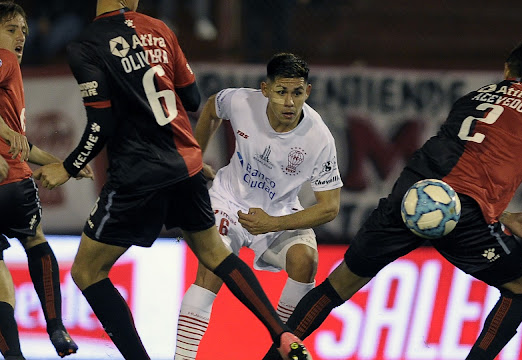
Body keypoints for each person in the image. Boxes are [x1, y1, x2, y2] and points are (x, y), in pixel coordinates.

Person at [260, 39, 522, 360]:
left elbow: (455, 168)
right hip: (465, 217)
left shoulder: (471, 98)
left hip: (410, 198)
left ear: (507, 70)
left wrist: (503, 216)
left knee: (337, 286)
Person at [33, 1, 311, 359]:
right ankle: (283, 334)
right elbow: (192, 98)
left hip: (138, 174)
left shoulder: (86, 44)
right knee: (214, 253)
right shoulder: (160, 29)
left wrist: (68, 167)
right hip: (186, 164)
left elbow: (101, 122)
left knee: (88, 270)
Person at [173, 52, 342, 359]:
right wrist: (194, 158)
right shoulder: (241, 102)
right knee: (212, 267)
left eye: (297, 93)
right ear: (265, 90)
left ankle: (276, 355)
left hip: (278, 214)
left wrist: (273, 224)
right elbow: (211, 107)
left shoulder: (319, 138)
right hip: (229, 202)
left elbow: (330, 207)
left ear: (308, 92)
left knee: (305, 262)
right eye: (281, 92)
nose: (289, 102)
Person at [0, 2, 92, 358]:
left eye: (23, 30)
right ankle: (56, 327)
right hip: (12, 185)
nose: (21, 36)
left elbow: (28, 146)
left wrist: (64, 164)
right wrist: (8, 137)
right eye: (11, 29)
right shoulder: (4, 60)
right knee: (35, 240)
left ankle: (13, 355)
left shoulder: (10, 76)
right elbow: (15, 142)